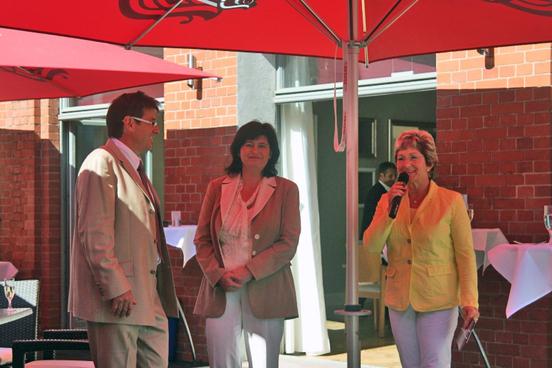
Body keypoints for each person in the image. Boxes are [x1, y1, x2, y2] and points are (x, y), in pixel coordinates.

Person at [68, 91, 178, 368]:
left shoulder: (136, 168)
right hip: (119, 300)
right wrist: (116, 287)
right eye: (152, 121)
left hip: (148, 297)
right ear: (129, 123)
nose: (156, 128)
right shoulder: (101, 162)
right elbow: (94, 234)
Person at [363, 129, 478, 367]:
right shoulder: (387, 200)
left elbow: (465, 256)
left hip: (438, 297)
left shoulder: (451, 201)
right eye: (401, 158)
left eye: (413, 157)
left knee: (434, 362)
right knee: (410, 363)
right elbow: (372, 245)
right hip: (399, 297)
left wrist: (469, 301)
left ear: (429, 163)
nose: (406, 164)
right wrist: (389, 213)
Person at [193, 120, 300, 368]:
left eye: (262, 146)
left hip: (267, 286)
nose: (255, 151)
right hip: (222, 288)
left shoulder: (286, 190)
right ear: (238, 149)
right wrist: (217, 274)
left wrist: (249, 271)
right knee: (221, 361)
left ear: (271, 152)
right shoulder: (217, 187)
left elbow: (288, 242)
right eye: (249, 144)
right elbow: (202, 239)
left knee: (263, 363)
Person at [360, 161, 397, 235]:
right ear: (381, 176)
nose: (393, 179)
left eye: (395, 176)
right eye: (390, 176)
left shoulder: (383, 190)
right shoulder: (377, 192)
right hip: (373, 235)